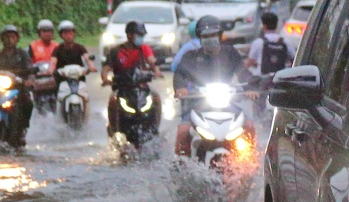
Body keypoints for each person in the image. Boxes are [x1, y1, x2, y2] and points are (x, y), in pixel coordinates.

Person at [171, 16, 246, 156]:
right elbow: (179, 74)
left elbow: (244, 73)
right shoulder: (190, 56)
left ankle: (250, 162)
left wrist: (251, 88)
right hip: (197, 104)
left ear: (219, 36)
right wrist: (180, 88)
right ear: (200, 38)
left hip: (228, 104)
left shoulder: (230, 53)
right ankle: (181, 165)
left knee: (248, 126)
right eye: (206, 36)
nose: (210, 39)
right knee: (183, 130)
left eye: (213, 35)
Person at [105, 20, 159, 135]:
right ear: (129, 35)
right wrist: (105, 79)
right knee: (113, 100)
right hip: (122, 87)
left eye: (142, 36)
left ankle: (155, 127)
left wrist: (157, 71)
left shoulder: (144, 48)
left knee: (156, 97)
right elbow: (106, 68)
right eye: (138, 35)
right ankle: (114, 129)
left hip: (141, 86)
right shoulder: (116, 50)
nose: (141, 38)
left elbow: (151, 61)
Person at [0, 23, 34, 144]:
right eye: (6, 37)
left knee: (28, 102)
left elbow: (30, 67)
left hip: (18, 87)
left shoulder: (22, 54)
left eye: (13, 37)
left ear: (17, 38)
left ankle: (23, 128)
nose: (9, 39)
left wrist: (29, 79)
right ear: (2, 39)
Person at [245, 10, 294, 77]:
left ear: (264, 26)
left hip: (261, 78)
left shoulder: (258, 42)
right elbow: (294, 59)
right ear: (276, 25)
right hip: (280, 78)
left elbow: (249, 62)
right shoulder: (285, 42)